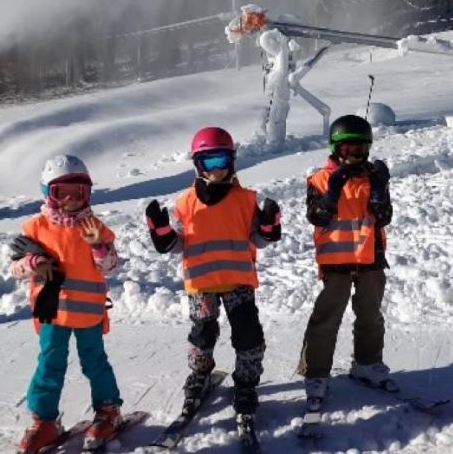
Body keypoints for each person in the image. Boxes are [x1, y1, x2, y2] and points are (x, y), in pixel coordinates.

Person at [144, 127, 282, 421]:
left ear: (232, 161)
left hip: (238, 281)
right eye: (209, 162)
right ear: (198, 164)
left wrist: (269, 226)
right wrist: (162, 231)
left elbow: (258, 239)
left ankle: (246, 382)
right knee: (203, 332)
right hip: (202, 284)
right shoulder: (184, 203)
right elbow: (178, 243)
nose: (217, 170)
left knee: (247, 334)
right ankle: (200, 372)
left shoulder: (245, 200)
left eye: (222, 161)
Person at [10, 154, 123, 454]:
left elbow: (110, 267)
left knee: (94, 362)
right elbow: (16, 268)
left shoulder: (95, 226)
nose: (72, 200)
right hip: (51, 312)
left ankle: (108, 410)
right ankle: (44, 420)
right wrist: (32, 262)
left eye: (79, 192)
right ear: (48, 194)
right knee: (49, 364)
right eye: (63, 193)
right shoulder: (35, 227)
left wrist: (98, 245)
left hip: (87, 312)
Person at [296, 113, 394, 412]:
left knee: (370, 315)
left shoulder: (374, 176)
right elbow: (317, 216)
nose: (353, 156)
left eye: (359, 149)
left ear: (368, 148)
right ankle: (316, 374)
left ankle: (367, 363)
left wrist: (379, 188)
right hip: (335, 261)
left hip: (370, 259)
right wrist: (333, 190)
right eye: (346, 150)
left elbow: (384, 216)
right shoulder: (320, 179)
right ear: (335, 149)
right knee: (326, 319)